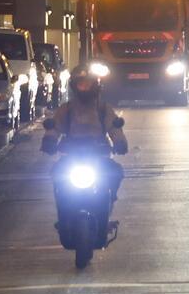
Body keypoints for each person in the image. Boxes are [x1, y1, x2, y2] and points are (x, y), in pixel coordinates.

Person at [41, 68, 128, 214]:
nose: (85, 88)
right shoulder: (66, 109)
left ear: (95, 86)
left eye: (88, 84)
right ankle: (63, 212)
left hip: (98, 154)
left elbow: (114, 127)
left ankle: (108, 202)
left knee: (115, 172)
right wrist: (49, 140)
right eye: (81, 84)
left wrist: (120, 143)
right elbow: (55, 126)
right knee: (57, 174)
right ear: (74, 86)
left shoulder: (103, 109)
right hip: (71, 155)